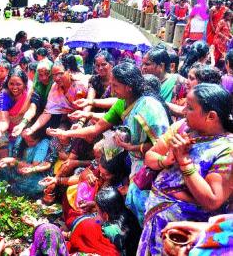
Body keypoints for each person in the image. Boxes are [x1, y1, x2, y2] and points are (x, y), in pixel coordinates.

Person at [47, 62, 170, 225]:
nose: (112, 90)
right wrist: (65, 133)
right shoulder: (122, 102)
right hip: (134, 164)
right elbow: (95, 129)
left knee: (144, 210)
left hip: (152, 169)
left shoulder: (149, 107)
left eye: (115, 85)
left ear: (129, 87)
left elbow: (163, 146)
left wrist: (134, 148)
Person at [139, 83, 232, 255]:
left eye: (189, 108)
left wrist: (184, 162)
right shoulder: (183, 128)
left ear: (211, 116)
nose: (182, 111)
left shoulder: (227, 149)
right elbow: (150, 157)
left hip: (184, 236)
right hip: (156, 222)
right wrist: (165, 160)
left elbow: (212, 200)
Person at [12, 59, 53, 137]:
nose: (44, 78)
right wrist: (22, 124)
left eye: (47, 74)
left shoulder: (56, 87)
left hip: (54, 123)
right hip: (37, 122)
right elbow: (32, 107)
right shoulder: (37, 87)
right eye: (40, 75)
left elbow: (49, 111)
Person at [9, 130, 54, 198]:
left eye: (31, 141)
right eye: (26, 141)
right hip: (21, 172)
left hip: (36, 174)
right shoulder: (21, 138)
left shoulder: (44, 142)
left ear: (39, 138)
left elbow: (35, 165)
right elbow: (15, 159)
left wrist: (16, 162)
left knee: (39, 185)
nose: (28, 144)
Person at [0, 68, 31, 143]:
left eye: (18, 84)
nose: (14, 88)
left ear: (24, 84)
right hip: (6, 132)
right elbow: (3, 120)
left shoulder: (29, 94)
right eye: (11, 84)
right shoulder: (4, 97)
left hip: (25, 131)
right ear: (7, 83)